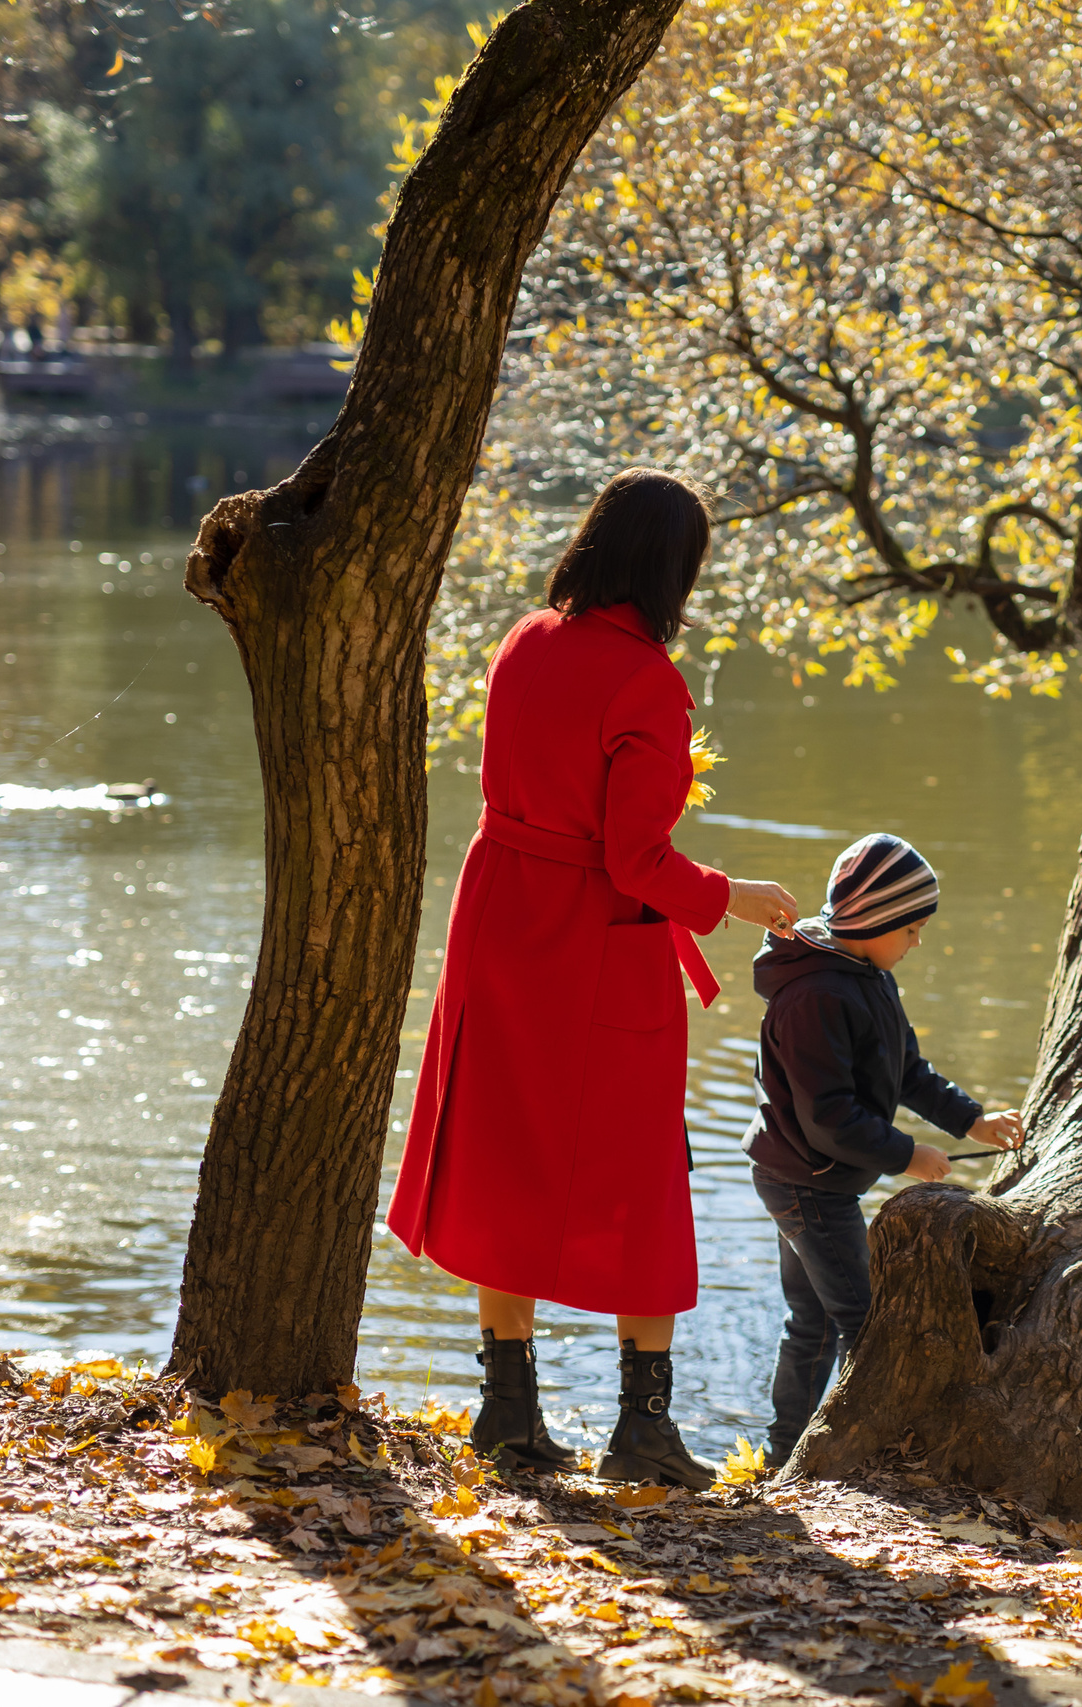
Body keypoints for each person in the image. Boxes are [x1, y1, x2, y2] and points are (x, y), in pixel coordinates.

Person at [386, 468, 801, 1490]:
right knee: (645, 1177)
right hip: (595, 943)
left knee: (500, 1154)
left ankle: (507, 1410)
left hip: (499, 923)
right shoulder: (646, 683)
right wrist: (732, 895)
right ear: (675, 569)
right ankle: (643, 1431)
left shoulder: (525, 642)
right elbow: (634, 862)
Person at [741, 833, 1025, 1468]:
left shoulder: (866, 974)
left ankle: (783, 1457)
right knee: (862, 1323)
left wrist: (970, 1120)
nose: (917, 941)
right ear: (873, 921)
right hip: (806, 1179)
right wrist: (906, 1155)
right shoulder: (817, 994)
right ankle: (823, 1458)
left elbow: (906, 1072)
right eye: (912, 928)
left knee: (812, 1322)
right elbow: (827, 1117)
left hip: (815, 1175)